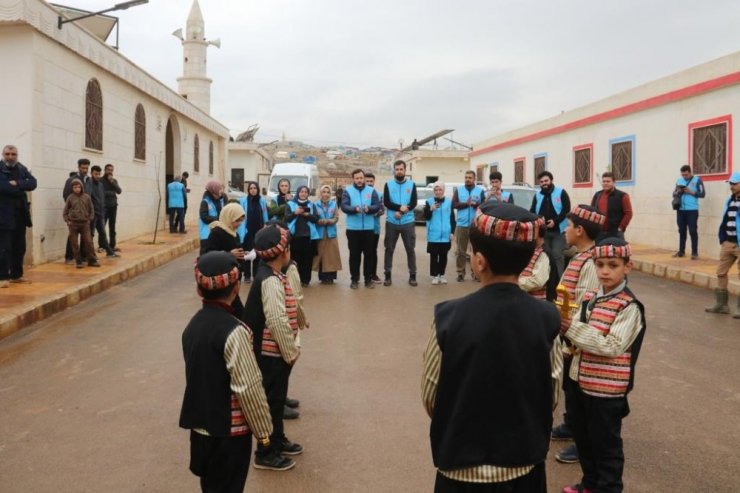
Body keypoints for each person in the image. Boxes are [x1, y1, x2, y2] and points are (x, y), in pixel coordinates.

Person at [422, 202, 561, 493]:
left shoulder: (447, 318)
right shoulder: (548, 319)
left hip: (460, 468)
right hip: (523, 466)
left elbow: (432, 397)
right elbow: (551, 391)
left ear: (479, 261)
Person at [179, 251, 274, 491]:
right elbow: (248, 388)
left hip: (200, 431)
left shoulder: (192, 327)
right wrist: (264, 432)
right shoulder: (236, 332)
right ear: (236, 288)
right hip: (229, 435)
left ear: (199, 290)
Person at [561, 238, 646, 493]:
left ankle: (608, 487)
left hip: (606, 391)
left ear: (627, 267)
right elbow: (574, 335)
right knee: (584, 439)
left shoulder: (629, 306)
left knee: (605, 445)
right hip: (579, 381)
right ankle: (590, 483)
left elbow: (612, 346)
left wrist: (570, 328)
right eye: (599, 265)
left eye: (613, 265)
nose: (605, 271)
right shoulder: (589, 298)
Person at [242, 225, 302, 471]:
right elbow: (276, 321)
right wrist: (290, 352)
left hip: (274, 353)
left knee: (276, 400)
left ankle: (277, 439)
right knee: (269, 402)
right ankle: (265, 451)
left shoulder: (272, 274)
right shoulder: (269, 281)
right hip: (270, 353)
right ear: (284, 251)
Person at [552, 205, 605, 465]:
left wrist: (569, 330)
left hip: (578, 336)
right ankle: (571, 425)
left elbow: (584, 304)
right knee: (569, 387)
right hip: (568, 334)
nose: (565, 230)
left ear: (580, 230)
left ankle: (583, 442)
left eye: (569, 226)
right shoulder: (580, 256)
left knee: (579, 389)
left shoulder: (593, 262)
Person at [0, 145, 37, 287]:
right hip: (4, 216)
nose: (10, 156)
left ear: (17, 155)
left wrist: (16, 184)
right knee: (4, 248)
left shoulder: (21, 168)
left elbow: (33, 183)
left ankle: (16, 274)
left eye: (13, 154)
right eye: (8, 154)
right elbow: (2, 186)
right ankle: (3, 277)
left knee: (19, 247)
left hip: (20, 216)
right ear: (3, 154)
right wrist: (21, 186)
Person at [705, 171, 740, 317]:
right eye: (730, 184)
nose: (731, 186)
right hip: (728, 243)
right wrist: (723, 239)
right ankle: (721, 304)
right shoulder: (729, 201)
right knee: (721, 272)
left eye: (734, 183)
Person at [203, 202, 248, 312]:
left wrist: (243, 254)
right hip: (223, 279)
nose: (239, 224)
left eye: (241, 221)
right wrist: (229, 254)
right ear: (228, 217)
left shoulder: (233, 233)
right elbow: (209, 254)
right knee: (235, 311)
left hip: (233, 278)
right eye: (236, 220)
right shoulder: (217, 232)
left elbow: (235, 249)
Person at [341, 169, 381, 289]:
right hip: (353, 229)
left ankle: (368, 280)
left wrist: (369, 208)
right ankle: (354, 279)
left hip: (369, 229)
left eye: (361, 178)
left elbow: (377, 205)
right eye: (357, 178)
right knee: (354, 255)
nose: (359, 180)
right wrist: (355, 209)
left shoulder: (372, 191)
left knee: (368, 255)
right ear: (353, 179)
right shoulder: (347, 191)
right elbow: (344, 206)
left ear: (364, 178)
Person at [382, 160, 418, 286]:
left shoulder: (412, 184)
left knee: (410, 249)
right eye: (396, 169)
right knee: (389, 249)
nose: (399, 171)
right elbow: (386, 202)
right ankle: (387, 276)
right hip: (392, 222)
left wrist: (401, 213)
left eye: (401, 169)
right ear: (394, 171)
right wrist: (398, 208)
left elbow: (413, 203)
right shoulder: (388, 184)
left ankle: (412, 276)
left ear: (405, 170)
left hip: (408, 222)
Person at [530, 170, 571, 278]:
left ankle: (559, 281)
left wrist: (555, 222)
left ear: (551, 180)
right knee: (545, 256)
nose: (544, 183)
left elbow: (567, 209)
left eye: (546, 180)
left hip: (559, 231)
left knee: (557, 255)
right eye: (542, 181)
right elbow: (532, 211)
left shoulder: (561, 192)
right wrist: (539, 219)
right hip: (543, 232)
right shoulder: (537, 195)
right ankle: (548, 281)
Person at [452, 170, 486, 282]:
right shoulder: (459, 190)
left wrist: (476, 205)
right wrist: (466, 204)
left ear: (474, 179)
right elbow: (454, 204)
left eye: (470, 177)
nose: (467, 179)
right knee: (461, 251)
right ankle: (460, 273)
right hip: (461, 225)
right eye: (466, 177)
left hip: (475, 225)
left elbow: (484, 207)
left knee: (475, 251)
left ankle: (475, 273)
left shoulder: (480, 191)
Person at [285, 185, 319, 286]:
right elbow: (287, 218)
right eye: (301, 191)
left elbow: (316, 219)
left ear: (308, 194)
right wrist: (295, 213)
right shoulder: (290, 204)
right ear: (298, 193)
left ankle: (306, 280)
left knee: (307, 260)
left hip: (308, 237)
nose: (303, 193)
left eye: (305, 192)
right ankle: (296, 280)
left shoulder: (311, 205)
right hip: (295, 237)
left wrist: (307, 215)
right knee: (295, 260)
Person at [62, 178, 99, 268]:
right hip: (73, 224)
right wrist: (68, 220)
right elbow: (65, 211)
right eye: (75, 187)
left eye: (79, 187)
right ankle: (78, 261)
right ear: (72, 188)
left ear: (82, 187)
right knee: (74, 244)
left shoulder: (87, 197)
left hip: (84, 224)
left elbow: (91, 209)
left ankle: (92, 260)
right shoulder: (70, 198)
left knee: (89, 242)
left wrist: (89, 219)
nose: (77, 189)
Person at [423, 182, 455, 285]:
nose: (438, 192)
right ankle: (435, 276)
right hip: (434, 235)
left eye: (440, 190)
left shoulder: (449, 202)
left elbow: (452, 219)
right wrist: (431, 209)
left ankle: (442, 274)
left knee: (443, 256)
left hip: (446, 235)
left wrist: (452, 232)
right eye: (435, 190)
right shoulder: (428, 202)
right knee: (434, 256)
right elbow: (426, 217)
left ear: (443, 190)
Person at [237, 182, 269, 283]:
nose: (253, 190)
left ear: (258, 189)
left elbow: (265, 214)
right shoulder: (243, 201)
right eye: (251, 188)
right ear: (248, 190)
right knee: (247, 253)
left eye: (255, 188)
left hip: (259, 231)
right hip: (247, 231)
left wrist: (266, 226)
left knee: (258, 254)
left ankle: (256, 275)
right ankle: (246, 275)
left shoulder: (262, 200)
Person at [518, 220, 557, 301]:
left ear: (536, 232)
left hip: (536, 304)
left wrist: (513, 283)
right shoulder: (529, 249)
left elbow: (537, 281)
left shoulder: (543, 253)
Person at [673, 164, 705, 259]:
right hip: (680, 210)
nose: (684, 177)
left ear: (690, 172)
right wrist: (678, 192)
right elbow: (673, 193)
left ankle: (694, 253)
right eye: (683, 175)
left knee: (692, 231)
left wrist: (690, 192)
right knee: (681, 231)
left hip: (692, 210)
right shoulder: (679, 181)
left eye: (686, 175)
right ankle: (681, 251)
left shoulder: (697, 180)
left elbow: (703, 194)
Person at [63, 158, 91, 264]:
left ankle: (83, 257)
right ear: (79, 167)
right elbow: (66, 196)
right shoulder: (71, 180)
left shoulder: (88, 180)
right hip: (74, 215)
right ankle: (69, 257)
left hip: (85, 214)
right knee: (72, 236)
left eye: (86, 168)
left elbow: (89, 196)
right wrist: (73, 210)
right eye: (83, 168)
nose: (85, 170)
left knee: (85, 237)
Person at [590, 172, 632, 241]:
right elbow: (592, 211)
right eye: (604, 181)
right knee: (599, 251)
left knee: (616, 252)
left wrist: (620, 228)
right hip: (599, 234)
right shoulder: (597, 195)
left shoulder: (622, 196)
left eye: (608, 181)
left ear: (614, 182)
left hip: (615, 234)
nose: (605, 183)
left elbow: (628, 213)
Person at [87, 165, 119, 258]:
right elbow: (88, 197)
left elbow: (103, 197)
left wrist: (112, 182)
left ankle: (110, 251)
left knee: (103, 233)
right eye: (95, 174)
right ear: (92, 173)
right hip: (93, 214)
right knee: (91, 234)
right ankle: (91, 254)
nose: (97, 176)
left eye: (98, 174)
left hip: (101, 212)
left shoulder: (100, 184)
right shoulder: (89, 183)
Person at [313, 185, 341, 284]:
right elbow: (314, 218)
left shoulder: (334, 204)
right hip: (320, 233)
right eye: (323, 192)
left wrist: (329, 221)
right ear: (320, 193)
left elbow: (336, 217)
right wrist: (320, 221)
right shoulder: (315, 205)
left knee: (331, 256)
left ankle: (331, 277)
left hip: (331, 233)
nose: (326, 194)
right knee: (321, 255)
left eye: (328, 192)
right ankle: (323, 277)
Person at [365, 172, 384, 284]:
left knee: (372, 252)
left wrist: (371, 213)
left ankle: (373, 274)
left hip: (374, 228)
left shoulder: (379, 194)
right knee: (361, 252)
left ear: (374, 182)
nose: (369, 183)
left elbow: (381, 210)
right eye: (367, 181)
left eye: (371, 181)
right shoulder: (360, 194)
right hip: (361, 229)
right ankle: (362, 276)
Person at [199, 181, 226, 254]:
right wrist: (219, 219)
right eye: (219, 189)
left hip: (218, 233)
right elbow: (204, 217)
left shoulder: (221, 200)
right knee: (205, 256)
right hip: (207, 234)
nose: (221, 191)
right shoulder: (205, 202)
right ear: (214, 190)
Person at [101, 164, 122, 252]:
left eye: (111, 170)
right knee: (102, 226)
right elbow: (101, 193)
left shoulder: (114, 181)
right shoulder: (101, 181)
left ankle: (112, 246)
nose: (110, 172)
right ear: (105, 170)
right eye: (108, 170)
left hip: (113, 206)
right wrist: (111, 193)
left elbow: (119, 191)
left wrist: (112, 182)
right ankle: (102, 246)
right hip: (104, 206)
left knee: (112, 227)